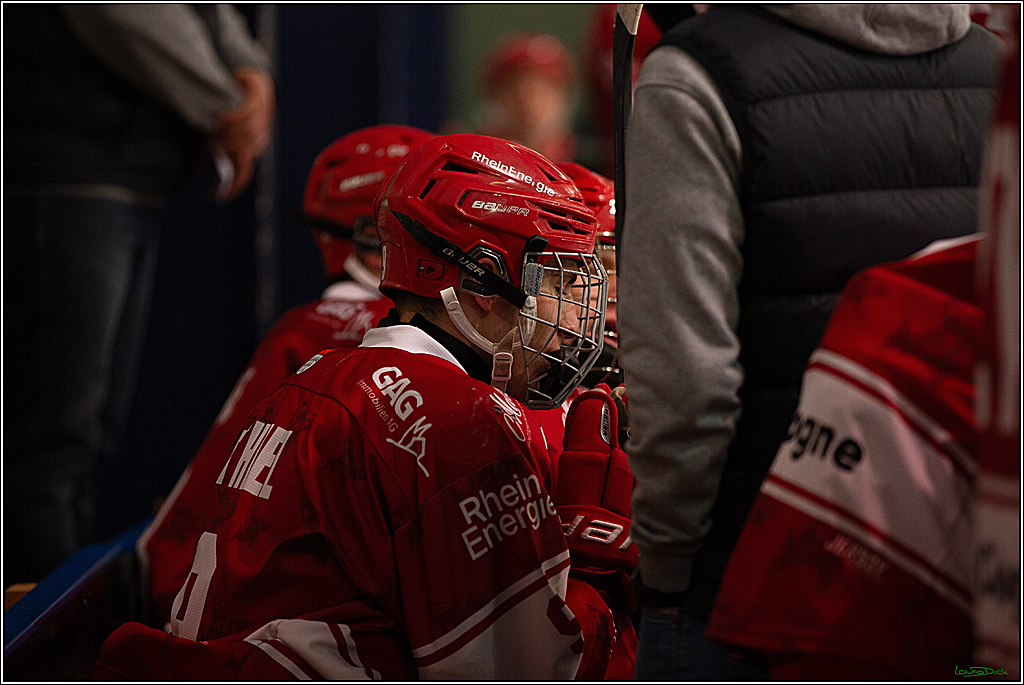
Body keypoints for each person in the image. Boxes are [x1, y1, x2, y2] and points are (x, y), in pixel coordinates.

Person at [93, 133, 637, 679]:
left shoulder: (314, 376)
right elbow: (528, 674)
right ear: (481, 280)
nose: (575, 319)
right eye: (561, 282)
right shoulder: (462, 420)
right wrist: (594, 562)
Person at [617, 4, 1001, 680]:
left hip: (750, 596)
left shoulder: (697, 75)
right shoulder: (1002, 73)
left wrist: (668, 570)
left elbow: (687, 385)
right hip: (957, 584)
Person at [3, 4, 275, 583]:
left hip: (126, 176)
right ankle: (36, 627)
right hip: (68, 169)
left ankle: (53, 611)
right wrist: (228, 101)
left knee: (86, 437)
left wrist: (249, 72)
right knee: (55, 442)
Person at [136, 124, 434, 625]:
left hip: (199, 593)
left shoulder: (310, 326)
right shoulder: (386, 342)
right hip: (251, 622)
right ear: (371, 236)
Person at [477, 32, 577, 163]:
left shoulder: (587, 158)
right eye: (515, 89)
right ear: (497, 97)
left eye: (543, 89)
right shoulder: (473, 156)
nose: (529, 101)